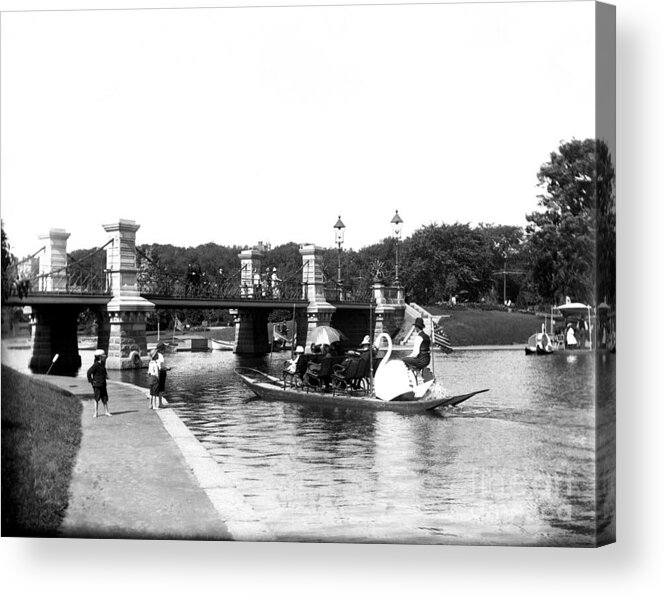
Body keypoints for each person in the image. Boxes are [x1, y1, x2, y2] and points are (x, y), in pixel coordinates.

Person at [87, 349, 112, 418]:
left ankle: (106, 411)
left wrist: (106, 376)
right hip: (97, 385)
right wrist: (91, 381)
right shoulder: (95, 365)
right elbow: (89, 372)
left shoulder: (102, 364)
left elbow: (104, 371)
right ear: (100, 357)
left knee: (105, 398)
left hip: (103, 384)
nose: (105, 358)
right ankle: (96, 413)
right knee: (96, 399)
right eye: (103, 357)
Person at [154, 342, 172, 408]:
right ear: (162, 349)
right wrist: (168, 369)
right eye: (164, 348)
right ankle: (160, 403)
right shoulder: (161, 356)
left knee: (156, 388)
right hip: (161, 373)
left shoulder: (155, 355)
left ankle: (155, 403)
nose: (165, 350)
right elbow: (161, 367)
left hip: (155, 372)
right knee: (161, 389)